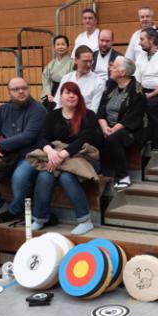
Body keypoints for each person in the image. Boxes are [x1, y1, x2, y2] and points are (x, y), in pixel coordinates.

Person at [30, 82, 101, 234]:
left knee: (66, 177)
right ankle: (40, 219)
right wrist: (50, 152)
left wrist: (62, 154)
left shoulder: (88, 115)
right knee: (44, 175)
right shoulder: (53, 115)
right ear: (60, 97)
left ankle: (85, 221)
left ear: (79, 96)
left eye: (75, 93)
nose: (71, 96)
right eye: (67, 93)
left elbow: (85, 139)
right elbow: (42, 137)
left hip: (84, 158)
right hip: (56, 156)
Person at [0, 77, 46, 222]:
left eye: (24, 88)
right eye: (16, 89)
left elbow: (28, 137)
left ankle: (15, 210)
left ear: (28, 89)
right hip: (5, 155)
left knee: (20, 176)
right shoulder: (1, 110)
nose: (21, 91)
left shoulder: (39, 110)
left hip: (29, 155)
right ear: (9, 92)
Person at [98, 56, 147, 191]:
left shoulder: (137, 89)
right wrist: (104, 127)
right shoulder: (110, 85)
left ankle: (123, 176)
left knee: (113, 138)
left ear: (122, 73)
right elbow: (101, 110)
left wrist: (113, 129)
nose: (110, 68)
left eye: (113, 67)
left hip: (131, 130)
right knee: (92, 134)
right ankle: (100, 172)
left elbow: (133, 117)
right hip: (108, 126)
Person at [53, 45, 104, 112]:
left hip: (86, 116)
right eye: (85, 61)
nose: (89, 64)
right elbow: (57, 103)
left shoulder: (98, 81)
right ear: (76, 60)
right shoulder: (66, 78)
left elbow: (94, 110)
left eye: (90, 61)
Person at [40, 34, 73, 110]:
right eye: (58, 44)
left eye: (63, 44)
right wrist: (48, 94)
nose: (60, 47)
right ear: (54, 47)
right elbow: (46, 80)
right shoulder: (51, 64)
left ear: (67, 47)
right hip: (52, 91)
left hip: (66, 90)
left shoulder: (72, 63)